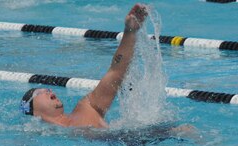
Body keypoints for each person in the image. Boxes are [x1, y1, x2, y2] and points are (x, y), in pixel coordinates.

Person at [19, 4, 148, 128]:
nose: (49, 91)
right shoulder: (42, 135)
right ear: (32, 111)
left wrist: (130, 31)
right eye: (39, 92)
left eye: (47, 89)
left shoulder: (87, 107)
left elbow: (115, 71)